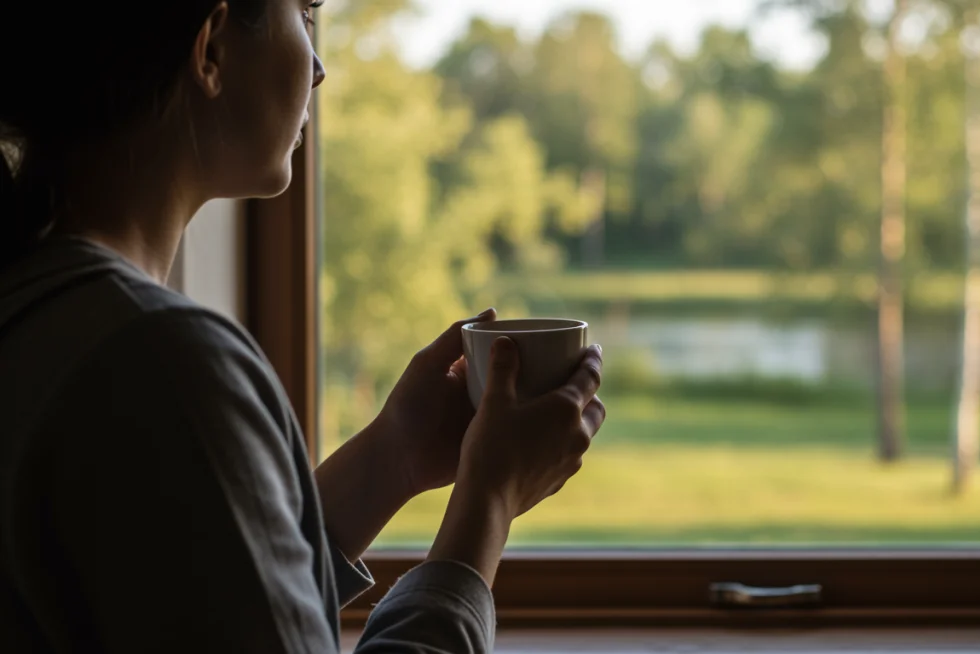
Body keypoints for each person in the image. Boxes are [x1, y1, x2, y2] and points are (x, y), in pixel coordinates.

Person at [0, 1, 606, 651]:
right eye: (307, 15)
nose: (318, 69)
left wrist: (393, 457)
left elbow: (204, 592)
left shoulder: (42, 309)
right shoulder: (156, 359)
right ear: (211, 50)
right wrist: (489, 502)